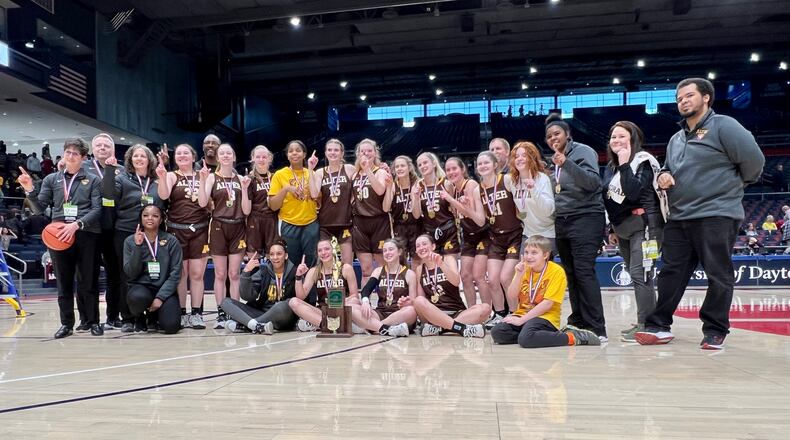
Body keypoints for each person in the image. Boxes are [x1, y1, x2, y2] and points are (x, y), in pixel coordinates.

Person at [636, 77, 764, 349]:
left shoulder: (724, 126)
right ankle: (658, 325)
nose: (683, 101)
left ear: (706, 97)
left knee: (718, 273)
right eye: (679, 98)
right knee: (671, 272)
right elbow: (668, 168)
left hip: (716, 213)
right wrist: (663, 176)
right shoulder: (676, 139)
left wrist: (734, 186)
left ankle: (715, 329)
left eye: (689, 95)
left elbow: (754, 163)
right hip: (680, 216)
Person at [19, 138, 103, 338]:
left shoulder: (93, 180)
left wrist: (76, 225)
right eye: (68, 152)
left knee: (88, 280)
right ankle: (66, 324)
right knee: (63, 281)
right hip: (59, 234)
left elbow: (97, 209)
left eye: (75, 153)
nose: (70, 156)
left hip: (86, 233)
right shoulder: (51, 179)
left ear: (83, 158)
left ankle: (93, 322)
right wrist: (30, 189)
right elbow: (39, 208)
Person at [545, 113, 608, 341]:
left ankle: (597, 328)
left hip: (586, 217)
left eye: (557, 134)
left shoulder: (582, 152)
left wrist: (567, 164)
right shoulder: (555, 161)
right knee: (571, 274)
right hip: (563, 220)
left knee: (583, 271)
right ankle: (578, 321)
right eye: (549, 136)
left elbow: (593, 183)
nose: (553, 138)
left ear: (567, 134)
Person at [602, 121, 665, 342]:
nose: (616, 141)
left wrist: (624, 164)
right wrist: (612, 228)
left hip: (646, 226)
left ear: (633, 139)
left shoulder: (643, 161)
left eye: (622, 137)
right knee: (636, 274)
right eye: (613, 137)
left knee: (642, 274)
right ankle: (646, 320)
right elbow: (609, 200)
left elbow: (633, 192)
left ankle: (648, 324)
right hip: (624, 228)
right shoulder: (611, 168)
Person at [491, 235, 600, 347]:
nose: (529, 256)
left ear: (545, 255)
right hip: (524, 314)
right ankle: (536, 335)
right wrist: (518, 275)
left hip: (545, 317)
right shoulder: (524, 269)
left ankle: (573, 337)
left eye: (534, 253)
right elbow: (511, 296)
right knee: (498, 333)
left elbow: (547, 304)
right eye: (527, 252)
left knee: (526, 339)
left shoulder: (556, 271)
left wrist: (521, 320)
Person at [103, 144, 164, 333]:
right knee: (127, 275)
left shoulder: (156, 181)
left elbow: (165, 202)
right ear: (130, 159)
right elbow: (108, 196)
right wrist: (109, 171)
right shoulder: (121, 179)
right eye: (135, 156)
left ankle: (150, 317)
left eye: (143, 156)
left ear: (149, 160)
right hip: (125, 233)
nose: (139, 159)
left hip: (152, 234)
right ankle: (129, 317)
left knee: (151, 274)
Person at [156, 143, 210, 329]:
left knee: (196, 274)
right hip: (176, 230)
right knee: (180, 274)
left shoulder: (202, 175)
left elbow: (203, 203)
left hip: (199, 230)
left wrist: (203, 180)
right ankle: (181, 313)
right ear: (174, 158)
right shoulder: (172, 175)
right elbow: (163, 195)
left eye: (186, 152)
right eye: (178, 153)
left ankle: (196, 314)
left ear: (193, 156)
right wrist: (162, 177)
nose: (182, 155)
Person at [198, 143, 252, 328]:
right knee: (220, 274)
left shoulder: (242, 179)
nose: (226, 156)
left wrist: (245, 189)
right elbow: (202, 202)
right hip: (219, 226)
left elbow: (246, 211)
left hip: (237, 227)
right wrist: (203, 180)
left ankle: (236, 312)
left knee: (234, 274)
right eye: (222, 153)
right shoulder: (213, 178)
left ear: (234, 156)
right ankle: (222, 311)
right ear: (219, 158)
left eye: (229, 152)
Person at [411, 234, 490, 338]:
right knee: (419, 301)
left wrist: (441, 265)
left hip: (456, 312)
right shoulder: (419, 269)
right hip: (434, 314)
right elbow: (421, 298)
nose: (421, 248)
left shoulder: (447, 259)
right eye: (418, 246)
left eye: (424, 244)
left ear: (433, 246)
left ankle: (440, 329)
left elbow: (456, 282)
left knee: (486, 308)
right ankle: (461, 328)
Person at [477, 151, 523, 326]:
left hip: (514, 234)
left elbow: (521, 202)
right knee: (492, 280)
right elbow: (480, 220)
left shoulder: (507, 180)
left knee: (505, 278)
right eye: (479, 163)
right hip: (495, 237)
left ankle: (515, 312)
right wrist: (465, 207)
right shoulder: (478, 189)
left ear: (495, 165)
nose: (482, 166)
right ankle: (499, 314)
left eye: (486, 163)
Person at [84, 133, 125, 330]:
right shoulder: (81, 169)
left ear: (113, 150)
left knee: (114, 275)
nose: (102, 148)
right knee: (87, 275)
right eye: (98, 145)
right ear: (92, 150)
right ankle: (88, 320)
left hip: (113, 228)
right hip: (89, 229)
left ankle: (113, 316)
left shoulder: (122, 170)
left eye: (106, 146)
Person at [123, 204, 182, 333]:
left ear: (161, 220)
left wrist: (160, 298)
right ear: (141, 219)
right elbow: (130, 273)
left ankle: (154, 317)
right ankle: (140, 317)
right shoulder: (130, 241)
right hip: (141, 288)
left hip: (163, 289)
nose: (150, 218)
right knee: (137, 297)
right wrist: (137, 247)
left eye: (155, 216)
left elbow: (175, 274)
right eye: (145, 215)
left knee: (172, 326)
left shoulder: (171, 241)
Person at [221, 239, 298, 334]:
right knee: (225, 302)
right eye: (272, 254)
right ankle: (256, 326)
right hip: (263, 313)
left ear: (285, 256)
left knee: (282, 306)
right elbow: (247, 296)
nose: (275, 257)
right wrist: (246, 272)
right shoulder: (263, 271)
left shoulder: (294, 272)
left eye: (279, 254)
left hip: (284, 317)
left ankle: (247, 325)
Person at [440, 157, 488, 308]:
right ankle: (473, 310)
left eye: (454, 168)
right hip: (467, 236)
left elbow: (471, 215)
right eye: (448, 170)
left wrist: (450, 200)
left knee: (478, 276)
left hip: (483, 233)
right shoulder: (453, 189)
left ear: (462, 170)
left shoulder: (471, 184)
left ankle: (488, 311)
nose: (451, 172)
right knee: (465, 276)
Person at [289, 238, 360, 331]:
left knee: (355, 300)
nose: (323, 252)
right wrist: (298, 276)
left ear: (334, 250)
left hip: (342, 309)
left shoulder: (346, 268)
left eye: (327, 249)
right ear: (317, 253)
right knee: (293, 302)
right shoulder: (314, 271)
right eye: (320, 250)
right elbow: (301, 296)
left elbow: (355, 295)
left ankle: (317, 324)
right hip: (323, 311)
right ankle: (326, 325)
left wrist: (340, 302)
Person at [352, 238, 417, 337]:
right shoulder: (378, 271)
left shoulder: (409, 273)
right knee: (352, 308)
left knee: (411, 311)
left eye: (391, 249)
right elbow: (366, 290)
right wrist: (365, 301)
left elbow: (413, 302)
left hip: (400, 313)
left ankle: (373, 327)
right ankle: (386, 329)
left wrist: (406, 302)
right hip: (380, 312)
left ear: (399, 252)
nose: (387, 253)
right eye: (385, 250)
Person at [268, 140, 319, 267]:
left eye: (298, 150)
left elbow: (318, 199)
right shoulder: (280, 175)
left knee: (311, 262)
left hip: (311, 223)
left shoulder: (312, 173)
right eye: (291, 151)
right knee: (291, 263)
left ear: (304, 154)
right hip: (289, 223)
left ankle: (310, 287)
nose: (294, 153)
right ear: (287, 155)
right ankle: (292, 287)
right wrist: (285, 189)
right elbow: (273, 206)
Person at [351, 139, 393, 285]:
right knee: (366, 270)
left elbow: (380, 190)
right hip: (360, 223)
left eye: (369, 151)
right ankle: (365, 303)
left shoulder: (380, 171)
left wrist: (367, 169)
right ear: (358, 153)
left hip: (379, 222)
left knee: (382, 267)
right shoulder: (354, 174)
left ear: (375, 153)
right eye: (363, 151)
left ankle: (385, 302)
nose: (366, 153)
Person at [309, 139, 355, 264]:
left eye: (336, 150)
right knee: (326, 263)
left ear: (342, 153)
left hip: (346, 223)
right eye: (329, 150)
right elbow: (313, 194)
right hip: (325, 224)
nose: (332, 153)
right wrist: (310, 169)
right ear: (325, 153)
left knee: (347, 264)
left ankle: (345, 284)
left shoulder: (349, 169)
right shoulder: (319, 172)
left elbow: (361, 185)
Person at [506, 141, 555, 251]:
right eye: (516, 156)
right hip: (528, 234)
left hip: (546, 234)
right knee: (523, 267)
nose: (519, 158)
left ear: (532, 158)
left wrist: (533, 189)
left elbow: (549, 210)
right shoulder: (514, 182)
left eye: (524, 155)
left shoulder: (541, 178)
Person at [411, 152, 458, 256]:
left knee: (450, 267)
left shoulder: (446, 184)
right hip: (429, 232)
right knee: (433, 269)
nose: (422, 166)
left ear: (434, 164)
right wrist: (415, 197)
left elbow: (455, 212)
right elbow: (416, 215)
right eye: (420, 165)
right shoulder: (417, 186)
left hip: (448, 230)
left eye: (425, 163)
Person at [246, 145, 279, 257]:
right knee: (253, 257)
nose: (261, 159)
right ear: (253, 158)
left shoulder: (276, 177)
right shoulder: (249, 179)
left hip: (272, 219)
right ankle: (253, 275)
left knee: (273, 255)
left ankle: (272, 275)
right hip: (255, 219)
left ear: (269, 158)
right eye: (258, 157)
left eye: (264, 157)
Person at [390, 155, 422, 268]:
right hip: (399, 226)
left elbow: (417, 214)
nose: (399, 168)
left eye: (402, 165)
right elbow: (386, 208)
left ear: (409, 167)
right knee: (400, 260)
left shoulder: (417, 184)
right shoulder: (392, 186)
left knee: (417, 260)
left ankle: (417, 285)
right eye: (397, 166)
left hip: (417, 225)